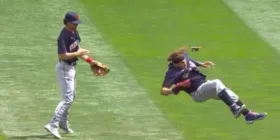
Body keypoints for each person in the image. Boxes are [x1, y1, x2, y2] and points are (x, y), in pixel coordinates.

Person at [160, 47, 267, 124]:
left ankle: (248, 115)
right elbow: (163, 91)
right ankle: (234, 108)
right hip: (197, 93)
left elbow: (190, 61)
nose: (185, 64)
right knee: (216, 83)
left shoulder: (184, 59)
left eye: (184, 61)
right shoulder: (172, 73)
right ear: (176, 64)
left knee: (231, 95)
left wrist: (202, 64)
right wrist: (174, 88)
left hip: (205, 85)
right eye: (182, 63)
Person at [44, 11, 105, 139]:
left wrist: (91, 61)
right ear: (67, 22)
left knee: (71, 96)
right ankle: (53, 124)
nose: (77, 25)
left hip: (71, 69)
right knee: (67, 98)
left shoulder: (74, 32)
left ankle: (63, 124)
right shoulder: (63, 36)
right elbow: (62, 55)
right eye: (74, 23)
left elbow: (79, 51)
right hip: (64, 68)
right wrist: (78, 54)